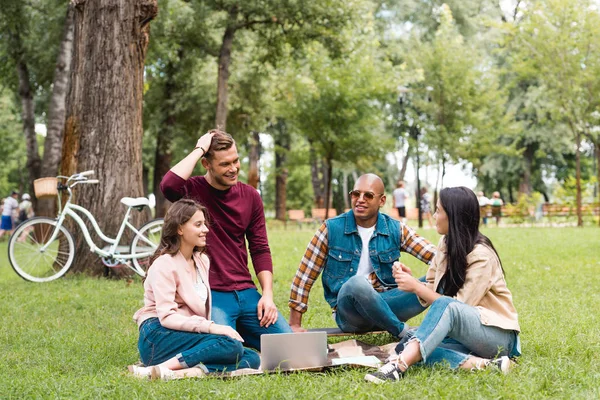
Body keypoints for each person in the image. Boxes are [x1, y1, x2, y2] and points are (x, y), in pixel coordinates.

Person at [365, 187, 520, 383]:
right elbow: (434, 289)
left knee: (415, 346)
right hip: (464, 335)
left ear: (453, 216)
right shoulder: (446, 244)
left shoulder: (482, 256)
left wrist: (416, 287)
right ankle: (486, 365)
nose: (434, 215)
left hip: (497, 336)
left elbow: (458, 307)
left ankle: (397, 366)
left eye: (438, 210)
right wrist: (411, 280)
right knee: (411, 346)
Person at [160, 129, 292, 351]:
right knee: (226, 349)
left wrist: (267, 295)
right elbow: (168, 186)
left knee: (289, 347)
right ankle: (238, 335)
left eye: (236, 161)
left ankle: (244, 330)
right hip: (212, 294)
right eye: (224, 164)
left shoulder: (251, 196)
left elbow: (260, 248)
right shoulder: (192, 190)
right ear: (207, 164)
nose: (233, 169)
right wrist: (200, 148)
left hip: (247, 292)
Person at [288, 174, 436, 338]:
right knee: (357, 284)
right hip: (351, 314)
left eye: (368, 195)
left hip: (388, 304)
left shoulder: (395, 228)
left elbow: (435, 256)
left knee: (440, 278)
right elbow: (305, 275)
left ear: (382, 201)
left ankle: (447, 324)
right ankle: (403, 333)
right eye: (356, 194)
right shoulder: (331, 229)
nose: (360, 199)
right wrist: (295, 324)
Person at [129, 199, 260, 381]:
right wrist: (212, 327)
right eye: (198, 224)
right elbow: (167, 317)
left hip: (185, 332)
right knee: (229, 344)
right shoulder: (164, 264)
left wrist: (208, 330)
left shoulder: (202, 260)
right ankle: (159, 367)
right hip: (158, 335)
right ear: (180, 229)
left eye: (205, 224)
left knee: (251, 357)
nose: (205, 229)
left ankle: (180, 373)